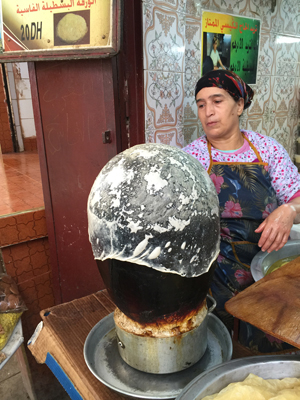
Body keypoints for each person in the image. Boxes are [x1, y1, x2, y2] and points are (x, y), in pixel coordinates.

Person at [183, 69, 300, 353]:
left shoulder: (268, 150)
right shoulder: (191, 159)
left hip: (271, 270)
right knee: (222, 347)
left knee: (274, 341)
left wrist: (288, 211)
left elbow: (298, 199)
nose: (208, 112)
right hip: (216, 275)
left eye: (217, 101)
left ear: (239, 105)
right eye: (201, 104)